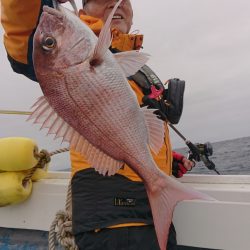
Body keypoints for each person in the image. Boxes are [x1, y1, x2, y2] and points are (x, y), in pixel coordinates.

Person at [1, 0, 194, 249]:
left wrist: (166, 160)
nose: (116, 3)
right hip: (110, 216)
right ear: (82, 10)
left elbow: (123, 131)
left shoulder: (132, 65)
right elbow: (21, 19)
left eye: (123, 0)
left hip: (147, 210)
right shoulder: (62, 47)